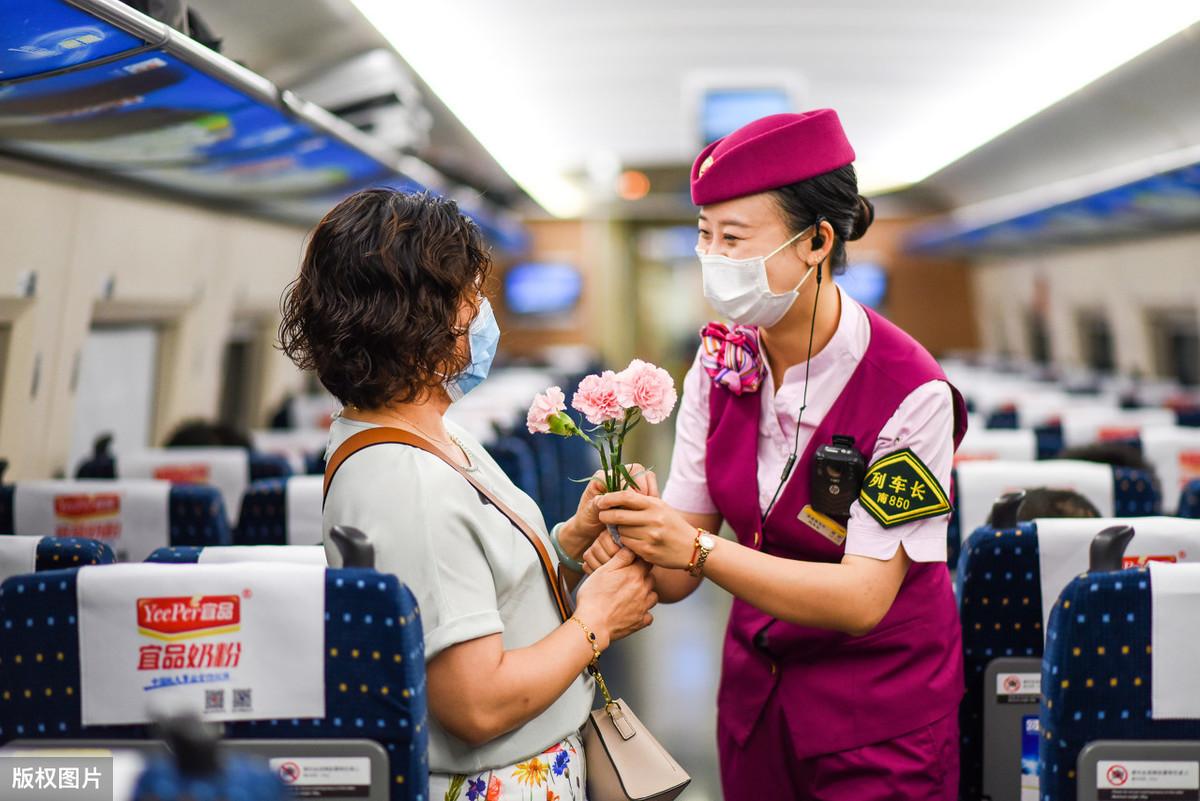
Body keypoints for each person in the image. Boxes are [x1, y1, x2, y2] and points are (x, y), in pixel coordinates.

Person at [585, 110, 969, 800]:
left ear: (818, 240)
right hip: (757, 705)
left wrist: (693, 549)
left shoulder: (911, 392)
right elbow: (678, 577)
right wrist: (630, 531)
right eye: (705, 236)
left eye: (733, 238)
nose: (712, 259)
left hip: (881, 719)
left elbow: (861, 599)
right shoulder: (718, 365)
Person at [278, 189, 657, 798]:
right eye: (470, 296)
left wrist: (569, 539)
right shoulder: (406, 482)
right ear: (420, 321)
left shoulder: (428, 434)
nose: (482, 313)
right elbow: (476, 705)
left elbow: (479, 593)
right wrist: (597, 621)